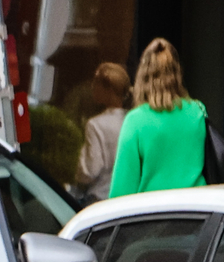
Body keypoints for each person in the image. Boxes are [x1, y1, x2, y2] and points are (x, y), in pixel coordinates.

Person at [109, 39, 210, 199]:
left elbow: (121, 191)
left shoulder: (135, 121)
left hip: (153, 217)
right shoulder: (198, 111)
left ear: (142, 76)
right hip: (198, 213)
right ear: (178, 74)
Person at [75, 62, 133, 201]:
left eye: (96, 83)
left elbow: (89, 171)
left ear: (108, 89)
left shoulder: (95, 125)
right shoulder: (133, 121)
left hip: (100, 198)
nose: (92, 87)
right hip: (128, 198)